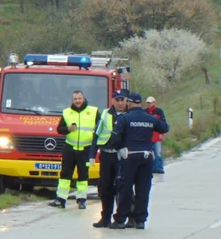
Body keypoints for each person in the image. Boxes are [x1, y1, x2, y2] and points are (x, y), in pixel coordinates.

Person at [109, 92, 169, 229]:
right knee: (143, 189)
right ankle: (140, 220)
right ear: (141, 103)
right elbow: (164, 127)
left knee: (125, 188)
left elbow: (115, 138)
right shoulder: (150, 118)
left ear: (129, 103)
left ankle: (120, 220)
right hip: (147, 156)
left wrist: (119, 148)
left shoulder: (124, 118)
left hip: (129, 156)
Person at [49, 90, 101, 210]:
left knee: (83, 175)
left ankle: (81, 200)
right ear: (72, 100)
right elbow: (59, 129)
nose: (77, 101)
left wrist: (96, 145)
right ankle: (60, 199)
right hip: (70, 148)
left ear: (83, 99)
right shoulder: (67, 112)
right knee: (65, 174)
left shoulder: (93, 111)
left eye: (79, 98)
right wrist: (68, 128)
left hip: (86, 149)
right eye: (75, 99)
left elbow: (99, 128)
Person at [92, 89, 128, 228]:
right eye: (117, 100)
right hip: (107, 154)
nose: (120, 103)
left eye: (122, 100)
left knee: (122, 187)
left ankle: (121, 218)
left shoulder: (129, 115)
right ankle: (105, 218)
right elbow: (97, 133)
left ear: (126, 101)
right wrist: (92, 154)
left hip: (123, 156)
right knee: (105, 187)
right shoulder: (106, 114)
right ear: (113, 101)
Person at [145, 96, 167, 176]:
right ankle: (151, 169)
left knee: (158, 153)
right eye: (147, 103)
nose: (149, 104)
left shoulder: (159, 111)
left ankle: (159, 168)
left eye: (150, 103)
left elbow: (163, 123)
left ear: (154, 103)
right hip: (148, 136)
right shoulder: (145, 112)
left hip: (157, 136)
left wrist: (162, 133)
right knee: (149, 154)